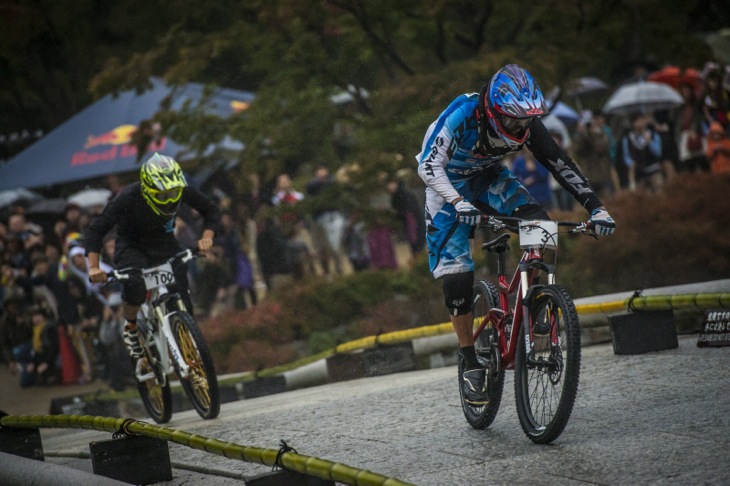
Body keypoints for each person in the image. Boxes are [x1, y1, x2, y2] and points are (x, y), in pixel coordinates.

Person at [415, 64, 615, 405]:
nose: (520, 129)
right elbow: (427, 167)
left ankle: (537, 306)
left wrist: (596, 207)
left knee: (542, 224)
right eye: (513, 122)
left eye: (526, 122)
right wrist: (457, 201)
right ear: (493, 111)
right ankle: (467, 357)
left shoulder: (526, 123)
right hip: (445, 186)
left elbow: (558, 161)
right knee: (457, 273)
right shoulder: (462, 114)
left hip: (489, 177)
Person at [86, 153, 220, 361]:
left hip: (164, 243)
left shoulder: (181, 187)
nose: (169, 200)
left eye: (173, 193)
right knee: (135, 284)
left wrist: (207, 237)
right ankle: (130, 327)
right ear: (148, 189)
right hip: (132, 245)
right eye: (162, 195)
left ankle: (185, 330)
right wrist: (94, 267)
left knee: (181, 286)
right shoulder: (129, 196)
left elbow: (211, 210)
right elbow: (96, 229)